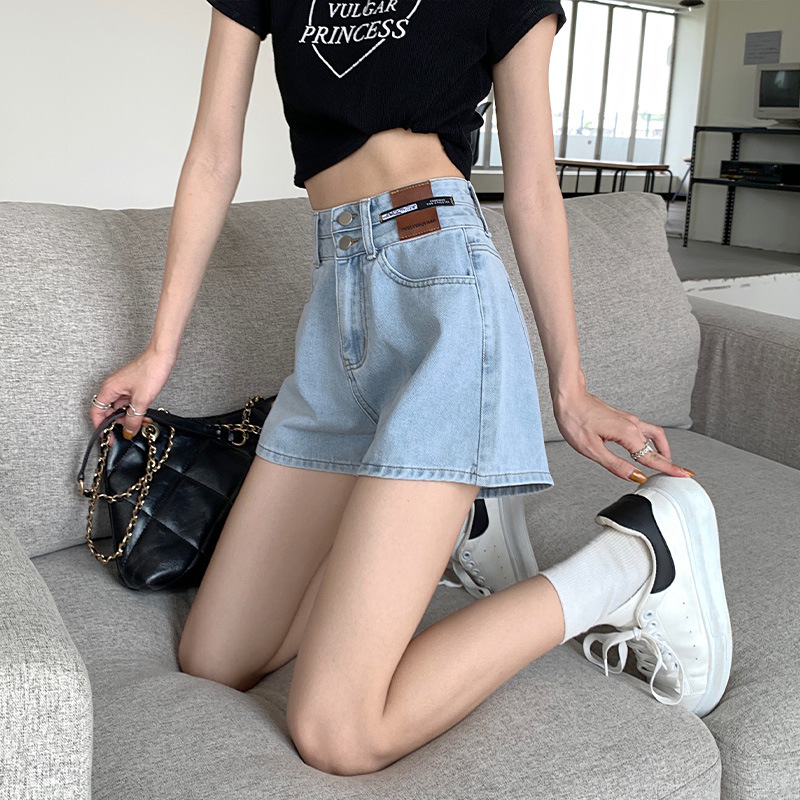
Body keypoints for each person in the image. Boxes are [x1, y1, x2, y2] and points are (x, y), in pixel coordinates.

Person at [88, 0, 732, 777]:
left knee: (338, 733)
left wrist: (571, 387)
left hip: (441, 293)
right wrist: (160, 348)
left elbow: (532, 186)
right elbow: (213, 156)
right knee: (215, 658)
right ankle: (444, 523)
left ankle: (630, 563)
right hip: (334, 308)